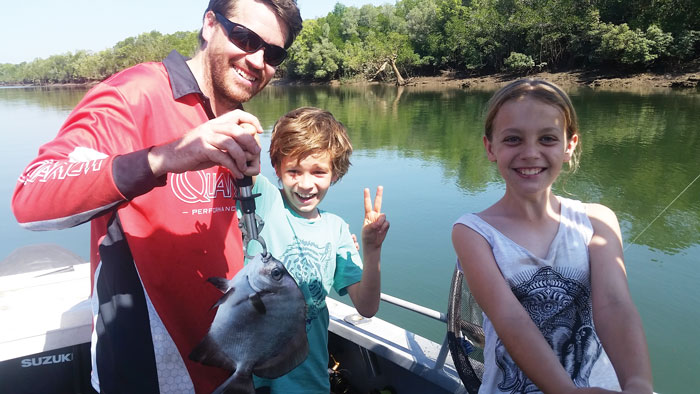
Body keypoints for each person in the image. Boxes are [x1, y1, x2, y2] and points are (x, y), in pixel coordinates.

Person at [11, 0, 302, 393]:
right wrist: (164, 157)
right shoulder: (134, 95)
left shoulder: (234, 120)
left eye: (273, 53)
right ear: (210, 23)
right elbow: (31, 196)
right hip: (148, 375)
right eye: (245, 38)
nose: (257, 60)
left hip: (227, 367)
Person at [451, 79, 653, 394]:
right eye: (513, 139)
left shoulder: (598, 220)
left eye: (547, 138)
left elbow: (614, 304)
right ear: (490, 147)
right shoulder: (472, 232)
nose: (530, 153)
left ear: (569, 146)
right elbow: (510, 320)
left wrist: (638, 382)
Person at [239, 107, 389, 394]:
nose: (306, 184)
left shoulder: (337, 229)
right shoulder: (266, 202)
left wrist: (372, 251)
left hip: (310, 381)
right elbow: (245, 160)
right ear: (277, 167)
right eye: (293, 171)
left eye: (318, 172)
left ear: (335, 174)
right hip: (252, 379)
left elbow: (367, 307)